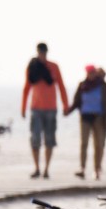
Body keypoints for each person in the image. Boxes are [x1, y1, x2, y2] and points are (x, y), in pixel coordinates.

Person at [21, 42, 69, 179]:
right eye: (40, 52)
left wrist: (66, 105)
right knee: (35, 139)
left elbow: (61, 86)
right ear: (37, 52)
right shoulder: (32, 67)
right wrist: (23, 107)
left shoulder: (54, 67)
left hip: (51, 109)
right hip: (35, 108)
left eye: (44, 52)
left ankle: (46, 169)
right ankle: (37, 168)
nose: (42, 55)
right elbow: (26, 88)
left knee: (49, 140)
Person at [66, 64, 106, 180]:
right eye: (89, 72)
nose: (91, 74)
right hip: (85, 116)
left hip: (98, 117)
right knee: (84, 143)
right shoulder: (82, 85)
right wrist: (68, 111)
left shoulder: (103, 86)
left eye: (93, 72)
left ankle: (97, 169)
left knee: (99, 145)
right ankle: (82, 168)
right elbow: (77, 101)